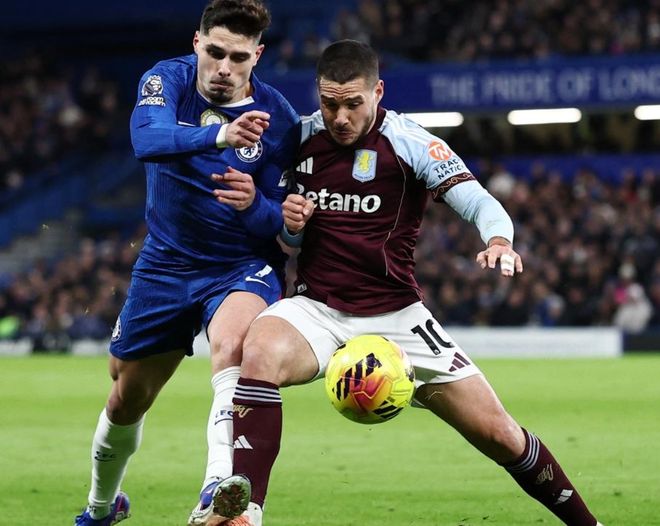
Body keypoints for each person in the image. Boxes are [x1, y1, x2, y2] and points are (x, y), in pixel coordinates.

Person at [218, 40, 604, 526]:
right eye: (330, 103)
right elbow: (287, 236)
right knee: (258, 351)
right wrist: (290, 223)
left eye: (353, 103)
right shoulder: (298, 139)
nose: (340, 117)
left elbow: (479, 201)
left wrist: (499, 241)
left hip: (398, 317)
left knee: (500, 434)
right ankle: (246, 513)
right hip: (317, 308)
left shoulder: (410, 141)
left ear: (378, 92)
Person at [73, 1, 300, 525]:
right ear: (197, 43)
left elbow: (281, 222)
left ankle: (217, 484)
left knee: (234, 347)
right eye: (215, 52)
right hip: (166, 264)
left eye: (238, 58)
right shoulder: (166, 79)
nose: (224, 68)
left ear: (257, 56)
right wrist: (221, 134)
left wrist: (255, 205)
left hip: (240, 264)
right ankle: (102, 507)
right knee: (126, 396)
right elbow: (146, 139)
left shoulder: (280, 119)